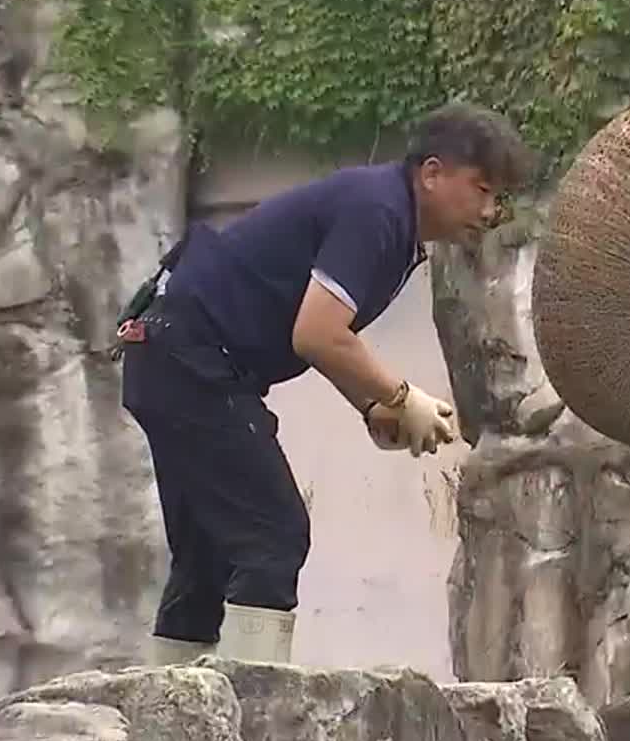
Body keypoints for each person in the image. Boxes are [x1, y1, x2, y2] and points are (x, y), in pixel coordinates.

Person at [117, 102, 538, 665]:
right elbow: (316, 333)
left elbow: (316, 333)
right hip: (189, 358)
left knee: (207, 555)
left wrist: (373, 407)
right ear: (432, 173)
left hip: (168, 352)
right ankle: (251, 722)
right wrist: (400, 396)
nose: (490, 211)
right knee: (273, 537)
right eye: (481, 189)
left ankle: (168, 729)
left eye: (498, 198)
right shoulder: (379, 211)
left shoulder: (392, 220)